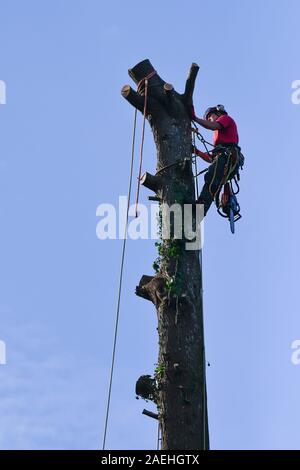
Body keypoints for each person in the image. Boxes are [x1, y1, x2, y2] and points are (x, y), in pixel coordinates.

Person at [191, 104, 243, 216]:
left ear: (218, 113)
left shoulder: (225, 119)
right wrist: (196, 151)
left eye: (210, 117)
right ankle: (202, 206)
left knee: (211, 176)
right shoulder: (219, 137)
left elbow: (212, 126)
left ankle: (201, 206)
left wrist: (194, 118)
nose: (209, 119)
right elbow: (211, 158)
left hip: (228, 156)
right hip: (223, 158)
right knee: (211, 180)